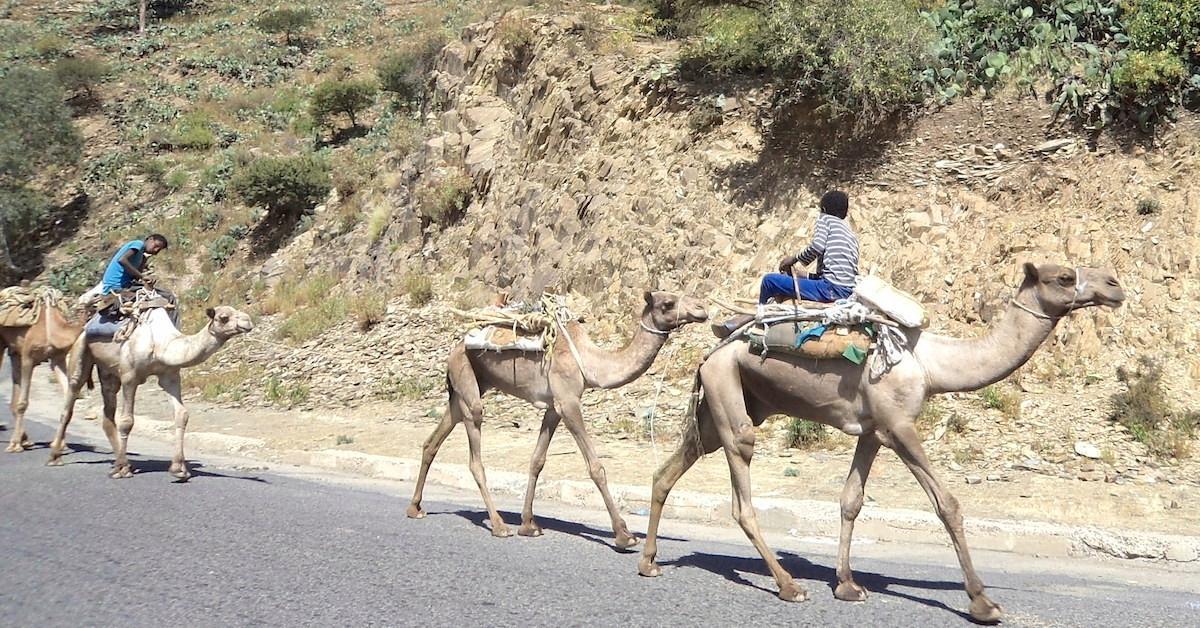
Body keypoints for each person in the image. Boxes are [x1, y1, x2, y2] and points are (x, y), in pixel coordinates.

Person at [712, 190, 860, 338]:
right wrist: (804, 275)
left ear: (824, 209)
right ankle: (755, 317)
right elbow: (834, 274)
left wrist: (794, 259)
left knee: (769, 281)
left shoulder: (825, 219)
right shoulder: (851, 235)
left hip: (829, 289)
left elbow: (817, 246)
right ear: (845, 213)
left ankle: (760, 323)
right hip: (845, 291)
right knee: (790, 281)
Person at [78, 234, 169, 307]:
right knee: (158, 298)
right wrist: (143, 276)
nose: (156, 250)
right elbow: (122, 260)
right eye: (156, 246)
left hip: (126, 284)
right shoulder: (138, 244)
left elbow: (135, 277)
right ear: (150, 239)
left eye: (159, 250)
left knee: (164, 295)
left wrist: (143, 261)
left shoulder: (140, 255)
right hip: (116, 286)